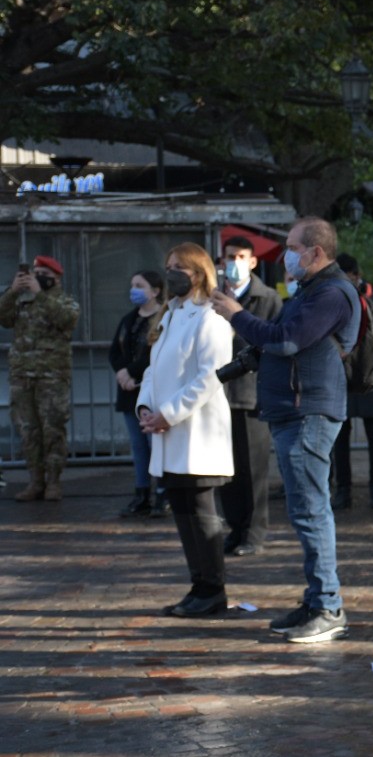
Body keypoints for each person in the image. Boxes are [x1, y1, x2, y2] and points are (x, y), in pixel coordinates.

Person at [211, 217, 359, 644]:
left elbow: (288, 340)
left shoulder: (331, 292)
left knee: (312, 512)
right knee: (305, 512)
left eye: (293, 247)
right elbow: (279, 340)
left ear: (315, 252)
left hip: (308, 411)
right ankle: (316, 600)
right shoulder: (310, 291)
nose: (286, 255)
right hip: (292, 411)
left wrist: (237, 315)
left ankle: (329, 606)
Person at [137, 243, 235, 616]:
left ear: (198, 272)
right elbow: (153, 369)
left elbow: (209, 376)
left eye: (180, 266)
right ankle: (199, 585)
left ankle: (213, 588)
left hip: (197, 432)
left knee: (201, 512)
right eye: (168, 265)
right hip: (168, 430)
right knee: (181, 510)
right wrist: (147, 407)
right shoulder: (171, 314)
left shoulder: (209, 317)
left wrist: (169, 413)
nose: (172, 272)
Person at [217, 236, 282, 556]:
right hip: (220, 395)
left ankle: (254, 532)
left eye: (241, 256)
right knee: (226, 469)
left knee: (253, 468)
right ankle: (235, 528)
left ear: (253, 261)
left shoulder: (267, 298)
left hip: (251, 393)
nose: (235, 262)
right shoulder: (214, 299)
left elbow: (270, 342)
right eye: (230, 256)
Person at [1, 255, 80, 502]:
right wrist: (13, 292)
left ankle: (54, 482)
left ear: (55, 277)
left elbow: (66, 320)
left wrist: (40, 294)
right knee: (29, 432)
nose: (36, 277)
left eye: (42, 273)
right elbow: (3, 318)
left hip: (52, 378)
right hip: (22, 377)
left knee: (52, 430)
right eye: (34, 273)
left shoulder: (65, 302)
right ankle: (35, 481)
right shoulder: (23, 302)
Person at [330, 253, 373, 510]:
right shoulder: (332, 299)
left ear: (356, 275)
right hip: (342, 377)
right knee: (340, 436)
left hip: (367, 375)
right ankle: (344, 489)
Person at [111, 270, 165, 516]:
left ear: (155, 291)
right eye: (133, 284)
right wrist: (122, 371)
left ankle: (163, 493)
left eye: (140, 285)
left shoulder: (163, 318)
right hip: (128, 392)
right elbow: (115, 350)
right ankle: (141, 493)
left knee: (155, 444)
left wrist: (132, 371)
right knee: (138, 446)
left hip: (152, 391)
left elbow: (156, 354)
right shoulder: (129, 319)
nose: (134, 289)